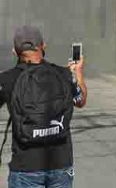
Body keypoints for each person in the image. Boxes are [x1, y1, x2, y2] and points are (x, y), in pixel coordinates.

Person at [0, 26, 87, 188]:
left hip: (25, 168)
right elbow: (80, 100)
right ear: (43, 46)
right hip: (61, 166)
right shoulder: (63, 74)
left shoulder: (7, 79)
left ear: (14, 51)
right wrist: (79, 73)